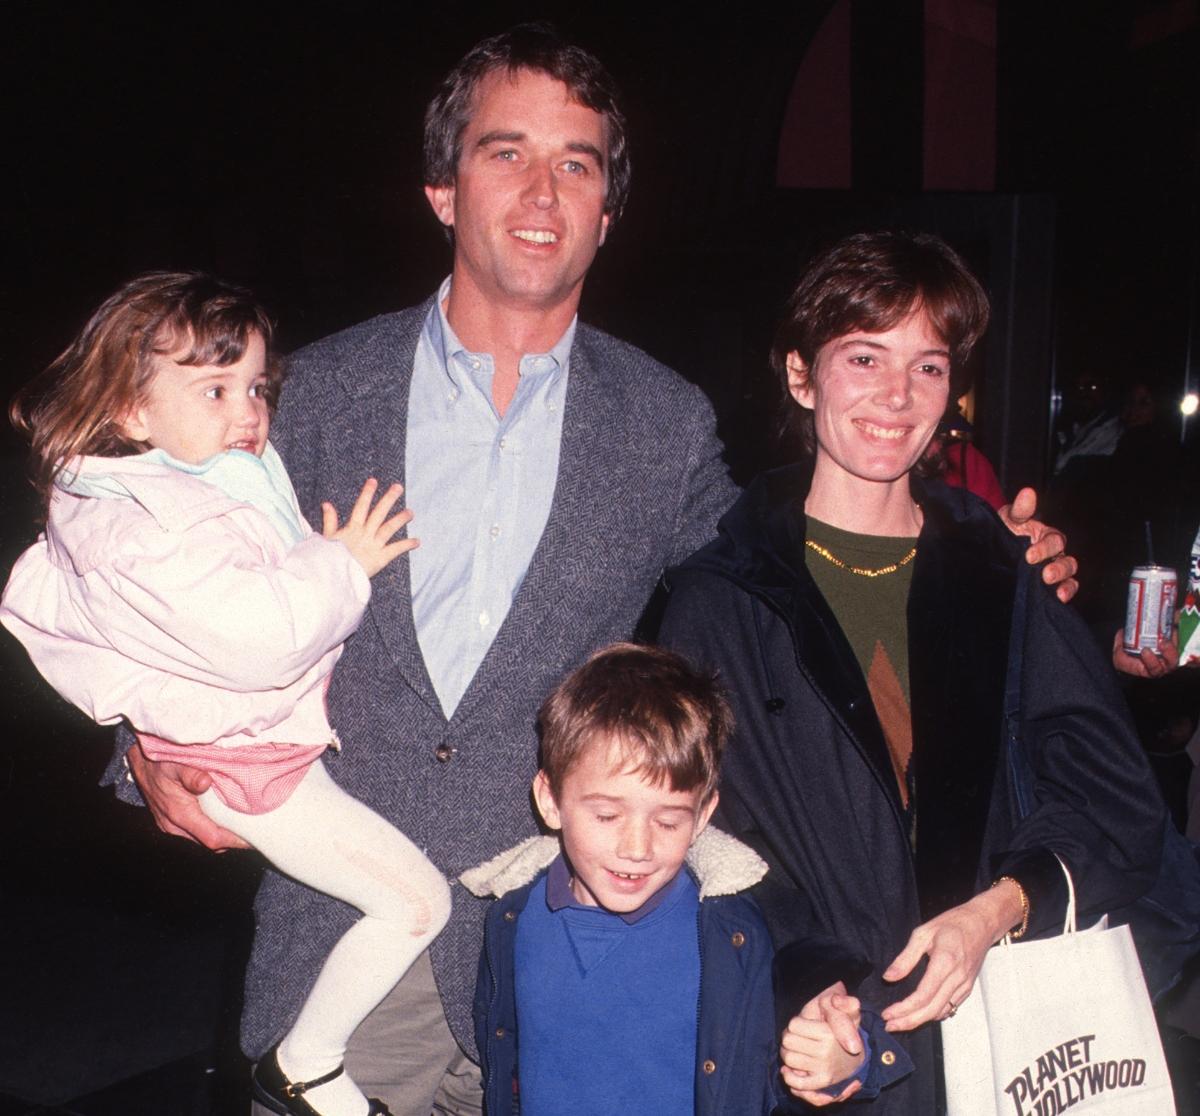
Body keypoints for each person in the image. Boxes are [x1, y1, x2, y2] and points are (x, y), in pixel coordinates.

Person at [105, 28, 1078, 1116]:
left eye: (578, 164)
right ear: (440, 185)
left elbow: (786, 562)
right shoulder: (312, 395)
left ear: (608, 214)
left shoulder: (659, 422)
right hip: (342, 942)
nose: (542, 189)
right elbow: (146, 562)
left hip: (557, 958)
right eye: (504, 151)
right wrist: (139, 748)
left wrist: (973, 547)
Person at [658, 231, 1168, 1115]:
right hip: (829, 1054)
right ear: (800, 375)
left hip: (1009, 1039)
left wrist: (1000, 908)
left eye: (928, 367)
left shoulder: (1002, 569)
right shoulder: (718, 600)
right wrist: (803, 978)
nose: (897, 396)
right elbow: (696, 836)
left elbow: (1119, 804)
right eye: (864, 357)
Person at [0, 273, 452, 1116]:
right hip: (245, 762)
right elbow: (258, 640)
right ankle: (307, 1065)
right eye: (214, 388)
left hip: (248, 744)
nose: (248, 411)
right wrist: (339, 563)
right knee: (417, 901)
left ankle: (309, 1064)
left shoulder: (179, 489)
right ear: (133, 413)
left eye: (255, 387)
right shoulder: (149, 521)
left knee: (407, 898)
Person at [461, 642, 912, 1114]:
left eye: (668, 822)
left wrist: (846, 1060)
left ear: (703, 816)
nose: (637, 848)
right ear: (551, 800)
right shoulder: (511, 915)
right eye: (608, 815)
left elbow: (820, 1041)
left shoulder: (737, 934)